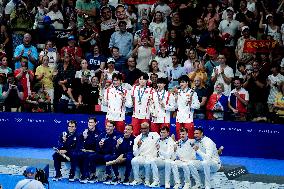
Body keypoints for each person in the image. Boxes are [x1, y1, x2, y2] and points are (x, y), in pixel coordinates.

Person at [70, 117, 100, 183]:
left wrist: (87, 149)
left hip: (94, 152)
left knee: (87, 155)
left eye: (92, 122)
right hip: (85, 151)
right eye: (89, 122)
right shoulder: (85, 132)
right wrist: (84, 138)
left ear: (95, 123)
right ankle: (72, 174)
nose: (90, 124)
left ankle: (85, 175)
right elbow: (80, 144)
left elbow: (97, 148)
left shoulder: (99, 133)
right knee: (75, 154)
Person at [130, 122, 160, 186]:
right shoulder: (137, 138)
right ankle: (137, 180)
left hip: (152, 156)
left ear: (149, 128)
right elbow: (135, 153)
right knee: (134, 160)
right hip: (142, 157)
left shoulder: (155, 135)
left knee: (148, 162)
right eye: (142, 128)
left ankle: (148, 181)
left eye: (145, 128)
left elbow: (163, 139)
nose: (143, 130)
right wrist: (138, 146)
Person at [174, 75, 200, 139]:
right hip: (179, 118)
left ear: (187, 83)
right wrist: (175, 98)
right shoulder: (178, 92)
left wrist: (191, 104)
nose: (181, 84)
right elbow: (175, 106)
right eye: (180, 82)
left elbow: (197, 106)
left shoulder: (192, 92)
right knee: (179, 138)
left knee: (189, 138)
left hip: (188, 119)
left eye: (183, 82)